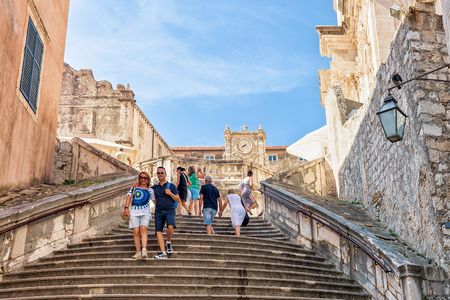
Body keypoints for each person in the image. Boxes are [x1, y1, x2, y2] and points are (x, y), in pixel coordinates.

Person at [122, 171, 155, 259]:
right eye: (141, 177)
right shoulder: (134, 187)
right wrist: (126, 208)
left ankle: (144, 250)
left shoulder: (151, 190)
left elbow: (155, 201)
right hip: (134, 212)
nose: (143, 179)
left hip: (145, 212)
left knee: (143, 229)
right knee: (136, 232)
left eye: (145, 178)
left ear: (148, 179)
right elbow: (128, 197)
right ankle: (138, 252)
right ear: (139, 178)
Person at [152, 166, 181, 259]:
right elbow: (152, 197)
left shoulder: (171, 186)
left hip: (169, 210)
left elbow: (178, 199)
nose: (160, 174)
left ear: (165, 174)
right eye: (158, 173)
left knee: (170, 226)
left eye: (161, 173)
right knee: (158, 231)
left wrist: (170, 194)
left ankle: (168, 242)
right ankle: (163, 252)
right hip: (159, 211)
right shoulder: (154, 187)